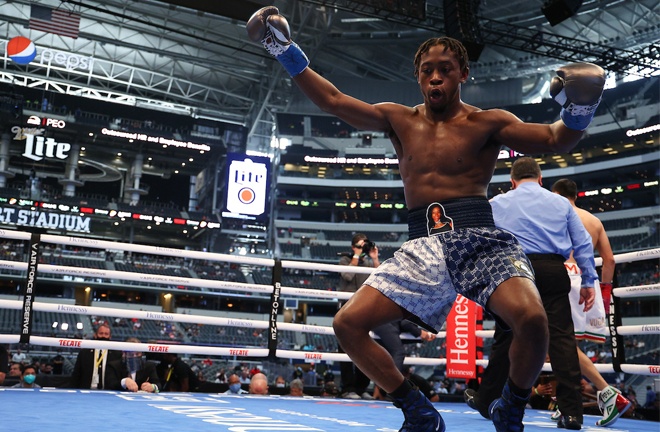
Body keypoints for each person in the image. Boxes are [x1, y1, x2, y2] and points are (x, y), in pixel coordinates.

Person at [247, 7, 605, 431]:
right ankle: (416, 409)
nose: (436, 77)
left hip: (480, 239)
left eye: (445, 69)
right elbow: (333, 99)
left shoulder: (487, 122)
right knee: (347, 324)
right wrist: (282, 49)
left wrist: (584, 104)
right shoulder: (399, 118)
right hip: (422, 246)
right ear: (418, 77)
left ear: (463, 74)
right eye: (427, 71)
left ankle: (510, 408)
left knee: (532, 319)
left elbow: (554, 138)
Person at [468, 157, 597, 429]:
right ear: (541, 180)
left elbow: (479, 242)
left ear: (512, 182)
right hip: (552, 269)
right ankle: (572, 412)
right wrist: (588, 280)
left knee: (506, 335)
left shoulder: (499, 203)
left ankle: (487, 399)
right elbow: (583, 242)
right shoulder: (560, 202)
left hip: (512, 271)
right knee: (561, 339)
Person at [552, 178, 633, 426]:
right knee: (564, 344)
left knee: (558, 342)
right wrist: (604, 292)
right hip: (588, 281)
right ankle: (566, 401)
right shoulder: (594, 221)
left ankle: (607, 392)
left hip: (563, 278)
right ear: (576, 195)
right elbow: (609, 261)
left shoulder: (557, 215)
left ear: (556, 195)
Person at [337, 233, 379, 400]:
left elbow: (380, 277)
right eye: (360, 246)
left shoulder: (368, 262)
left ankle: (361, 387)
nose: (363, 249)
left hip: (363, 307)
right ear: (354, 247)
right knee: (345, 348)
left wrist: (375, 258)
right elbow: (347, 276)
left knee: (365, 347)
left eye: (365, 246)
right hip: (346, 307)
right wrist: (355, 255)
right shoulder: (345, 260)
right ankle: (348, 388)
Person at [69, 323, 123, 389]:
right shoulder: (85, 352)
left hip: (108, 391)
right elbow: (76, 374)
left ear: (110, 336)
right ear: (95, 335)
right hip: (86, 390)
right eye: (101, 333)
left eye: (106, 334)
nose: (103, 336)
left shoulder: (116, 354)